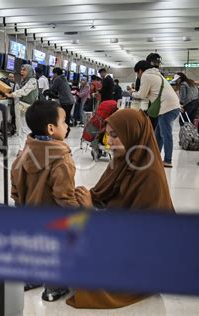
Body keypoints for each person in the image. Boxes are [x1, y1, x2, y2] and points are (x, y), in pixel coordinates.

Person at [67, 109, 175, 310]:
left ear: (133, 134)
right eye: (109, 135)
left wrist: (91, 211)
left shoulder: (149, 176)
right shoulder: (123, 160)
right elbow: (102, 194)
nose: (110, 142)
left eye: (116, 136)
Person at [11, 100, 79, 302]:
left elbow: (15, 184)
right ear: (51, 128)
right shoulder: (61, 159)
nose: (67, 126)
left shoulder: (24, 152)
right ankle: (53, 288)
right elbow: (64, 196)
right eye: (64, 121)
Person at [132, 60, 180, 168]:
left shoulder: (146, 75)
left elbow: (142, 94)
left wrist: (132, 93)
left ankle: (168, 160)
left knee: (165, 134)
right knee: (158, 134)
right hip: (171, 106)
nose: (138, 76)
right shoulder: (156, 75)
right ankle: (155, 157)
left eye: (137, 73)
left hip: (167, 107)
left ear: (140, 71)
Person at [5, 64, 39, 148]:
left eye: (24, 70)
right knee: (22, 128)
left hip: (31, 108)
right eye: (21, 70)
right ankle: (22, 148)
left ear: (30, 71)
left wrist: (12, 94)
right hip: (23, 107)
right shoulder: (24, 81)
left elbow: (24, 91)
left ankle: (26, 148)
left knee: (26, 129)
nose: (21, 72)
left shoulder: (33, 81)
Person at [50, 67, 75, 137]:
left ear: (56, 73)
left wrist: (52, 80)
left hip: (66, 101)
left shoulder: (58, 79)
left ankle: (65, 132)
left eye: (53, 74)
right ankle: (66, 131)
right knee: (66, 116)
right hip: (70, 100)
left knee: (64, 117)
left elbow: (52, 89)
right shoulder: (64, 78)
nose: (53, 75)